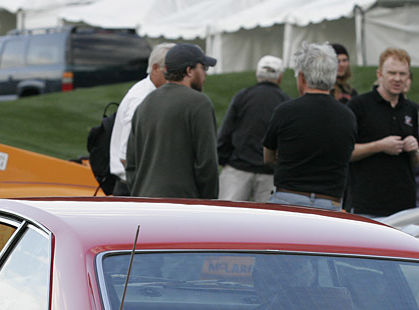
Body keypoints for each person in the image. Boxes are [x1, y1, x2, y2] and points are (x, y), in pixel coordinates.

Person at [262, 43, 356, 211]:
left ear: (303, 77)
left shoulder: (285, 111)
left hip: (287, 198)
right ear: (333, 76)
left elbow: (268, 157)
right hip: (330, 202)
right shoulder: (348, 116)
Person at [126, 43, 219, 199]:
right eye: (203, 68)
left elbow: (131, 163)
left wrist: (140, 190)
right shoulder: (199, 103)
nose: (205, 74)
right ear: (189, 71)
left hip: (145, 203)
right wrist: (208, 202)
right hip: (183, 207)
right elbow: (206, 164)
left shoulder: (146, 102)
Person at [346, 47, 419, 218]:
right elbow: (345, 152)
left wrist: (414, 150)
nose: (397, 79)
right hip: (367, 205)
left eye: (403, 74)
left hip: (405, 205)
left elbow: (417, 162)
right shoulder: (359, 105)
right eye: (392, 73)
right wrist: (379, 146)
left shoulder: (411, 109)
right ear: (379, 74)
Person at [216, 55, 290, 202]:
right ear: (279, 77)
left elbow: (226, 132)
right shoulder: (285, 101)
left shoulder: (242, 96)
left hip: (238, 169)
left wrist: (222, 157)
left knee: (226, 219)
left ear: (258, 75)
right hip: (269, 173)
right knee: (266, 222)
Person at [108, 42, 173, 196]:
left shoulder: (150, 94)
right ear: (156, 68)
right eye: (170, 70)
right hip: (134, 188)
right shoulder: (141, 99)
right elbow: (126, 156)